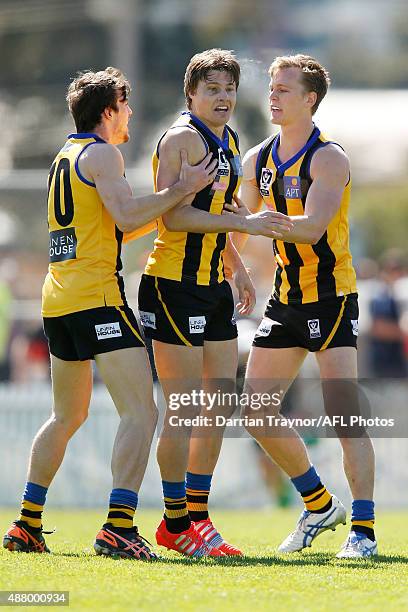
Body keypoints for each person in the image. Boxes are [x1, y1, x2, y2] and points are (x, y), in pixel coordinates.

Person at [3, 66, 218, 559]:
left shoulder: (68, 154)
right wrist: (181, 191)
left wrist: (166, 208)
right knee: (143, 411)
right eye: (125, 105)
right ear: (107, 112)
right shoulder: (103, 153)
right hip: (97, 297)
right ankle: (119, 525)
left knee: (67, 415)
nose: (131, 114)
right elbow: (125, 215)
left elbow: (113, 225)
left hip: (57, 298)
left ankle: (27, 522)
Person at [136, 49, 293, 557]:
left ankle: (198, 520)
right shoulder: (180, 139)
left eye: (228, 89)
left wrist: (238, 266)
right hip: (171, 285)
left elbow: (222, 212)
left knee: (217, 406)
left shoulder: (229, 139)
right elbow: (173, 219)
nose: (223, 97)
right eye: (212, 89)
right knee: (181, 411)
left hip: (212, 286)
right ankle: (175, 521)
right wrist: (245, 226)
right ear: (191, 94)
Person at [230, 54, 377, 558]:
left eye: (284, 89)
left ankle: (364, 531)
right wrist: (237, 263)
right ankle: (319, 503)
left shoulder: (328, 157)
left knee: (343, 415)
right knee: (254, 410)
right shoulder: (256, 159)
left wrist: (252, 220)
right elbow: (237, 224)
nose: (273, 95)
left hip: (332, 296)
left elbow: (312, 227)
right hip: (285, 300)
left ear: (310, 99)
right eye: (272, 87)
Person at [368, 249, 407, 378]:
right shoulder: (379, 295)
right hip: (384, 362)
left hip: (398, 362)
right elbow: (379, 328)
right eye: (391, 270)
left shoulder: (398, 293)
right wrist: (402, 332)